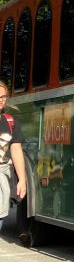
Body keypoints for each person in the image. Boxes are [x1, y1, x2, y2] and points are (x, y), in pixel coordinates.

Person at [0, 80, 27, 232]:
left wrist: (22, 179)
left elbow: (16, 150)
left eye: (3, 96)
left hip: (3, 174)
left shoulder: (10, 122)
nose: (1, 100)